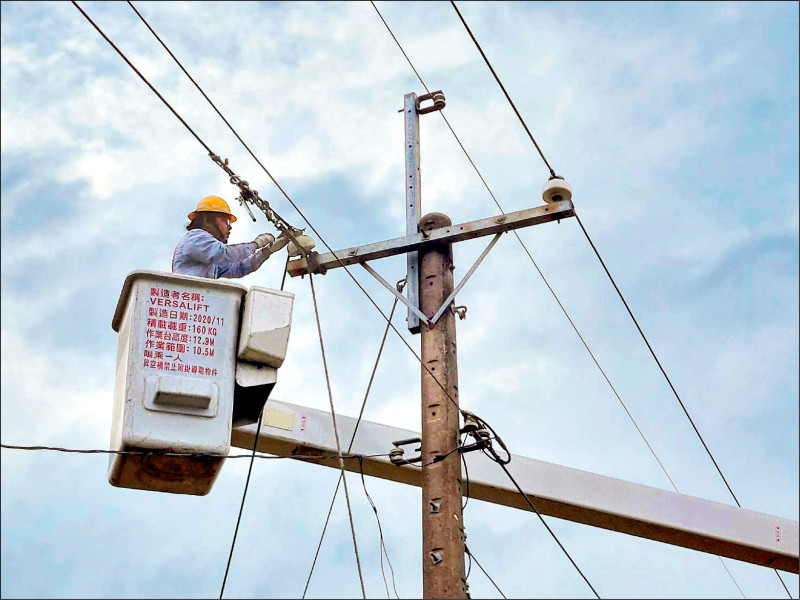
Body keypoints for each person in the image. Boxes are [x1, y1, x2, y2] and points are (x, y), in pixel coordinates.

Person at [172, 195, 289, 279]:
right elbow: (225, 254)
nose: (230, 227)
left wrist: (266, 252)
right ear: (207, 221)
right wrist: (256, 244)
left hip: (198, 304)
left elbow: (239, 268)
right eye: (225, 221)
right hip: (189, 300)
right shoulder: (195, 238)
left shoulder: (209, 260)